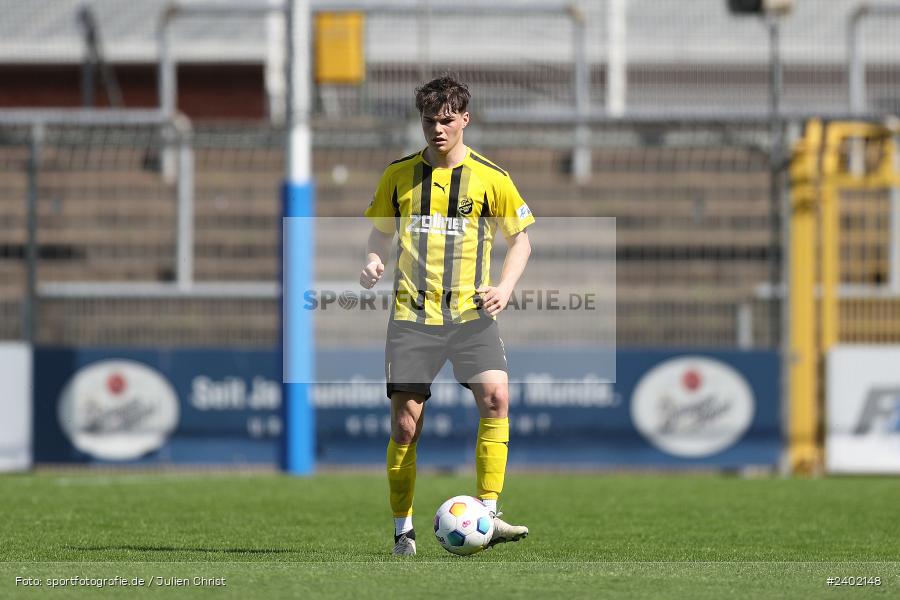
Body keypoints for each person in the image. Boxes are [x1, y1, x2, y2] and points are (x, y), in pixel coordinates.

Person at [360, 75, 534, 557]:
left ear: (464, 119)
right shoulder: (398, 175)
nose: (436, 129)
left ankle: (489, 512)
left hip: (470, 317)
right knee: (406, 427)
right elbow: (379, 235)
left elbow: (520, 239)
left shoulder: (490, 177)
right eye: (428, 120)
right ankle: (403, 532)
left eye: (445, 120)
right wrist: (375, 259)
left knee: (497, 398)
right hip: (413, 318)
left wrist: (504, 287)